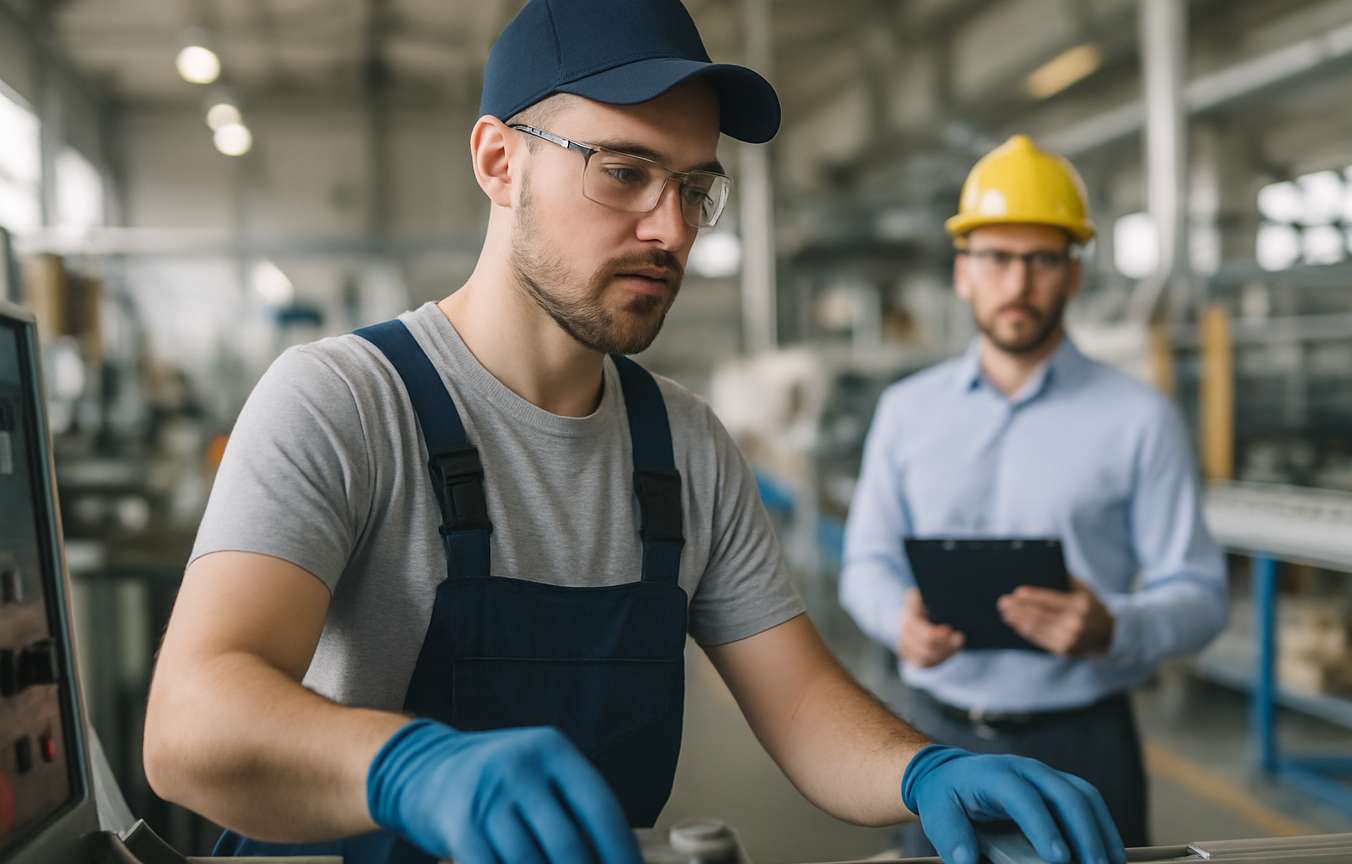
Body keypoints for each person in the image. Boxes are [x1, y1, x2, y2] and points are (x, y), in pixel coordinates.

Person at [141, 4, 1127, 864]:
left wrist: (926, 771)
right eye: (624, 172)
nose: (672, 230)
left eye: (695, 188)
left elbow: (802, 708)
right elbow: (189, 725)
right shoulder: (346, 402)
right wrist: (407, 768)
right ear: (499, 161)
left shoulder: (686, 449)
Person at [838, 135, 1229, 853]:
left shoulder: (1139, 418)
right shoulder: (906, 411)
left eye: (1041, 259)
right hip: (935, 746)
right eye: (995, 257)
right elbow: (864, 564)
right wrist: (900, 624)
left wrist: (1112, 627)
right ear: (963, 272)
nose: (1017, 283)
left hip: (1084, 744)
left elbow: (1201, 595)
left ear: (1073, 274)